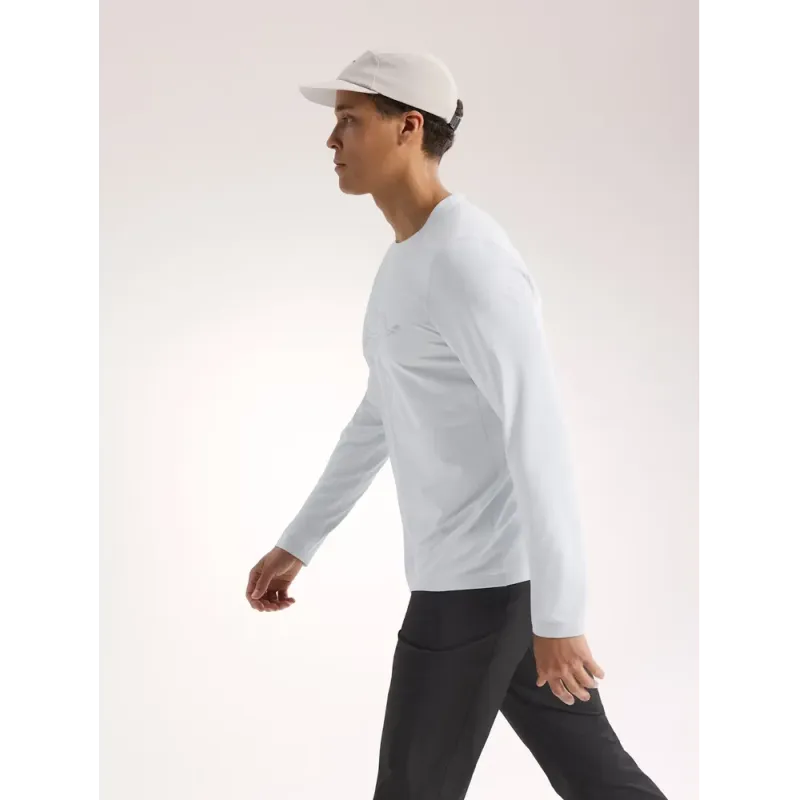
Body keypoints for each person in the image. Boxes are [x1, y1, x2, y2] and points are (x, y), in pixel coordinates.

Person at [247, 50, 668, 799]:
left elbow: (538, 432)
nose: (331, 139)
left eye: (349, 120)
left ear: (408, 127)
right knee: (599, 779)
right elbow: (382, 410)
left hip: (479, 590)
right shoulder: (410, 257)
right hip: (483, 584)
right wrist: (300, 540)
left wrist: (560, 615)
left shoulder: (469, 260)